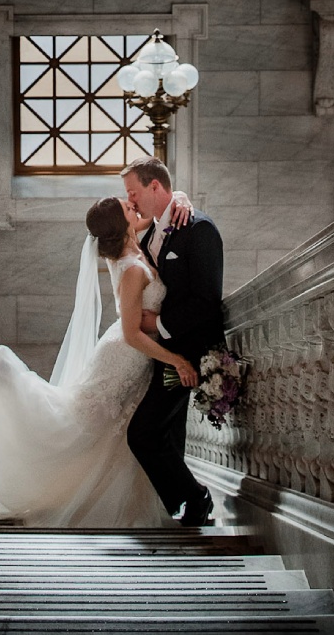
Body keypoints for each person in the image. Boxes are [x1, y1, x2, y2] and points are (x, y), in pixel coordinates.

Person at [0, 194, 198, 528]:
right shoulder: (131, 267)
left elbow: (155, 214)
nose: (135, 207)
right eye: (128, 207)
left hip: (127, 351)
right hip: (126, 353)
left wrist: (179, 197)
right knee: (88, 428)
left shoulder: (130, 244)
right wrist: (176, 360)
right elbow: (133, 334)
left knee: (103, 431)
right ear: (122, 223)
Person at [122, 156, 224, 526]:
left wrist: (159, 322)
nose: (130, 201)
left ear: (155, 187)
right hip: (166, 353)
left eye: (133, 192)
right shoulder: (153, 231)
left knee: (143, 432)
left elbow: (207, 300)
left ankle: (196, 497)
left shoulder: (200, 229)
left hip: (188, 353)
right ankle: (185, 505)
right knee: (166, 431)